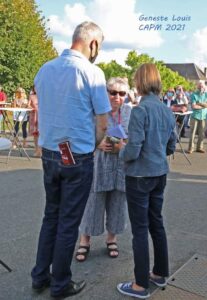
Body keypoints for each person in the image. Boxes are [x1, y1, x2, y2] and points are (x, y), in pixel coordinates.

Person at [31, 21, 111, 299]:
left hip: (51, 153)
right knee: (67, 221)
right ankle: (60, 283)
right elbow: (103, 123)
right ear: (93, 44)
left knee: (51, 216)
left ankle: (40, 275)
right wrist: (93, 146)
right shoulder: (92, 73)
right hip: (76, 155)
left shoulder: (45, 69)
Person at [117, 63, 176, 299]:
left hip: (139, 175)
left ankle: (140, 284)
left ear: (140, 81)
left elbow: (133, 149)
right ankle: (160, 273)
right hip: (159, 173)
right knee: (156, 223)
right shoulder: (166, 110)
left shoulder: (140, 110)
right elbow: (171, 145)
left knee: (140, 230)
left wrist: (122, 150)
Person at [76, 77, 131, 262]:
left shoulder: (129, 111)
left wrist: (123, 145)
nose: (117, 97)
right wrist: (97, 143)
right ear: (106, 93)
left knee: (117, 202)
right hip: (99, 163)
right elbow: (81, 134)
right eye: (113, 92)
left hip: (120, 165)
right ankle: (84, 240)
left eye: (122, 93)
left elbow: (134, 136)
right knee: (93, 202)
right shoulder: (96, 111)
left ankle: (112, 238)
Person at [187, 80, 207, 154]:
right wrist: (204, 106)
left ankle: (200, 147)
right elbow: (194, 106)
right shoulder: (194, 94)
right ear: (197, 86)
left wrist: (200, 103)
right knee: (192, 133)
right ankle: (190, 148)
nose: (201, 87)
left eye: (202, 86)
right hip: (195, 116)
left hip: (204, 116)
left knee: (202, 133)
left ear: (204, 86)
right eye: (199, 86)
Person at [28, 86, 41, 157]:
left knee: (41, 134)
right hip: (34, 116)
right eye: (35, 87)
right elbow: (28, 105)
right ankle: (36, 150)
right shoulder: (31, 96)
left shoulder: (42, 95)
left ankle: (40, 151)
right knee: (35, 134)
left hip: (41, 115)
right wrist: (32, 108)